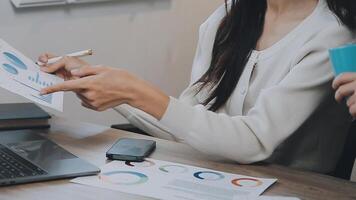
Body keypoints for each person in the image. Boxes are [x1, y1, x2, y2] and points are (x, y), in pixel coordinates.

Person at [39, 0, 355, 173]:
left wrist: (133, 92)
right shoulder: (228, 18)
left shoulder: (332, 36)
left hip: (294, 188)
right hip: (217, 176)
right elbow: (189, 124)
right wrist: (98, 82)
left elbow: (253, 142)